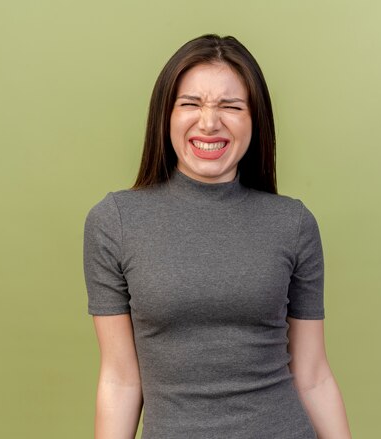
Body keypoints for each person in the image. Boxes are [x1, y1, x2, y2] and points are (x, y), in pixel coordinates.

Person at [83, 34, 352, 439]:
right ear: (165, 116)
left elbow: (313, 376)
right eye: (191, 104)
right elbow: (120, 381)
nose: (209, 122)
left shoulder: (293, 224)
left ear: (254, 120)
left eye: (231, 107)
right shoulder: (115, 222)